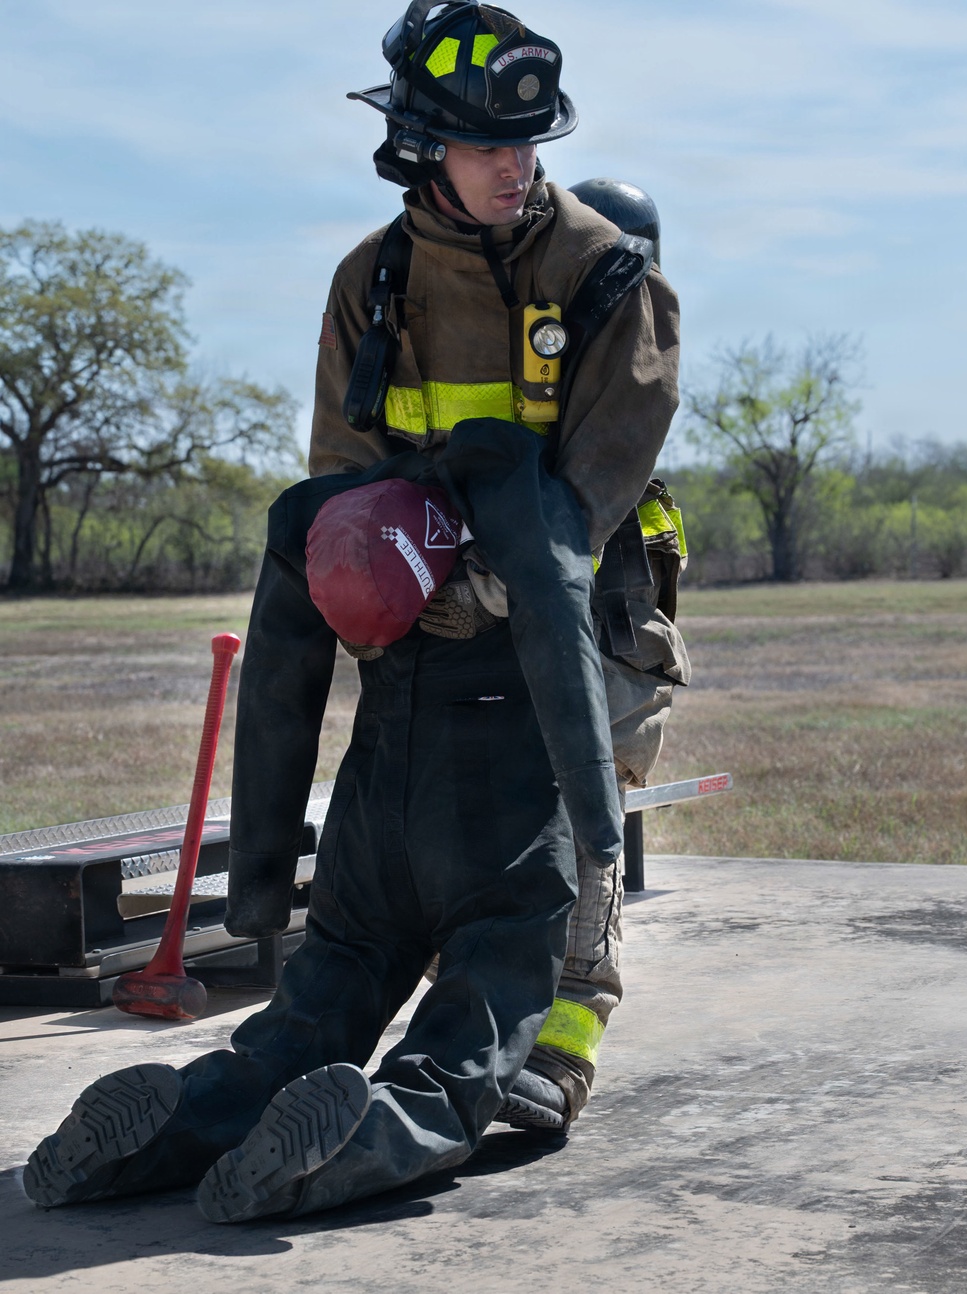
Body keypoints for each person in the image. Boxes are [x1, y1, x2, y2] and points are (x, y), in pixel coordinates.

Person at [22, 0, 680, 1223]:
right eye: (489, 146)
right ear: (418, 142)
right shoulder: (367, 283)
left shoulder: (600, 275)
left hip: (514, 656)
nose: (515, 167)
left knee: (357, 966)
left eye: (529, 145)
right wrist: (375, 576)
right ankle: (269, 1130)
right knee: (460, 976)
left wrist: (469, 572)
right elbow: (335, 490)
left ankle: (246, 1126)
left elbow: (602, 477)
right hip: (429, 697)